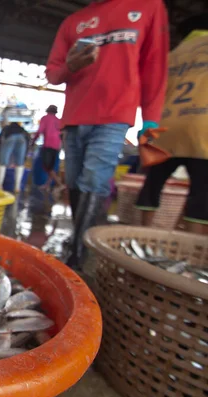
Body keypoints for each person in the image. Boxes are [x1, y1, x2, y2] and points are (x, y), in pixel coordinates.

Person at [46, 0, 169, 269]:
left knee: (94, 180)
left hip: (115, 117)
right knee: (76, 182)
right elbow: (53, 74)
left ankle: (79, 257)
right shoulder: (73, 22)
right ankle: (80, 244)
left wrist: (150, 120)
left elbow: (154, 67)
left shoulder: (148, 7)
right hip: (75, 118)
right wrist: (71, 66)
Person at [136, 13, 208, 235]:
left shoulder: (172, 56)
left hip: (164, 128)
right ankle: (191, 257)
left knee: (151, 189)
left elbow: (151, 92)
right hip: (202, 128)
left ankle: (140, 239)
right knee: (201, 196)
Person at [31, 105, 63, 192]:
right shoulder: (58, 120)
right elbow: (61, 134)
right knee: (52, 166)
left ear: (47, 110)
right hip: (57, 146)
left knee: (47, 167)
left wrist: (33, 141)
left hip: (48, 145)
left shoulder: (45, 118)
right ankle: (47, 185)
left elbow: (40, 130)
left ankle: (60, 184)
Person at [0, 122, 28, 192]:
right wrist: (24, 156)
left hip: (10, 138)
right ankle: (17, 187)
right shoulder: (21, 129)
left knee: (3, 163)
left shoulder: (6, 129)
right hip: (22, 139)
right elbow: (27, 139)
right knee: (20, 163)